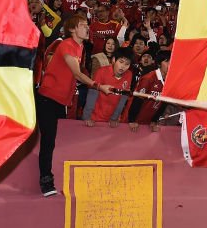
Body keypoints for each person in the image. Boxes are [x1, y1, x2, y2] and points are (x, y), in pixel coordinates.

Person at [36, 13, 112, 197]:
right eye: (83, 25)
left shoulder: (80, 48)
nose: (87, 28)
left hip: (61, 102)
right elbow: (77, 74)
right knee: (48, 141)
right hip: (47, 98)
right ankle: (46, 181)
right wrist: (99, 86)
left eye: (87, 24)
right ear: (72, 29)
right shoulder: (66, 45)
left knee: (51, 141)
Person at [85, 49, 134, 128]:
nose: (123, 66)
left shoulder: (129, 74)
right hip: (94, 118)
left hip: (111, 120)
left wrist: (114, 117)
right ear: (114, 60)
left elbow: (123, 99)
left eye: (127, 64)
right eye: (121, 62)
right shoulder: (101, 72)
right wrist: (87, 117)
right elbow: (92, 96)